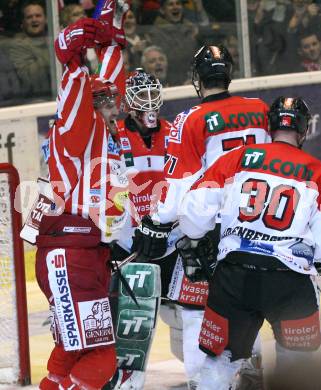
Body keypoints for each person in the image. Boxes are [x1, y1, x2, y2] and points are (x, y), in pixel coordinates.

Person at [176, 96, 321, 390]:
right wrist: (319, 257)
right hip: (289, 283)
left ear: (269, 127)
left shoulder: (235, 158)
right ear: (305, 130)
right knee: (299, 368)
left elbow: (192, 215)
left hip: (234, 277)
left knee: (218, 364)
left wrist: (205, 235)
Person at [131, 45, 271, 389]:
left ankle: (201, 383)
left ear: (198, 78)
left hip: (211, 232)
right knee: (248, 307)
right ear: (229, 73)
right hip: (257, 226)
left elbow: (179, 185)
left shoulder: (189, 119)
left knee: (195, 311)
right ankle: (252, 377)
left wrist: (158, 222)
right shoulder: (260, 110)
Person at [34, 1, 129, 388]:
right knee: (102, 354)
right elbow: (75, 93)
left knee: (70, 352)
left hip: (80, 254)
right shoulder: (77, 130)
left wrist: (111, 38)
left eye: (113, 100)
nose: (112, 105)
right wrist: (72, 56)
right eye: (103, 101)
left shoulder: (104, 129)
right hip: (70, 258)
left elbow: (107, 84)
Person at [105, 68, 178, 389]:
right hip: (129, 242)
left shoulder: (175, 131)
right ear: (128, 102)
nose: (149, 101)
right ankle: (126, 381)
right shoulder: (114, 135)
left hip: (172, 240)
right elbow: (106, 187)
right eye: (141, 95)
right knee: (131, 321)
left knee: (182, 315)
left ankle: (214, 372)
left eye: (153, 93)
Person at [9, 0, 50, 99]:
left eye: (38, 16)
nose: (34, 20)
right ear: (23, 22)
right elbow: (31, 78)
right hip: (36, 100)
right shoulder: (17, 45)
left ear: (46, 19)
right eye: (29, 17)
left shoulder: (55, 39)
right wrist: (55, 51)